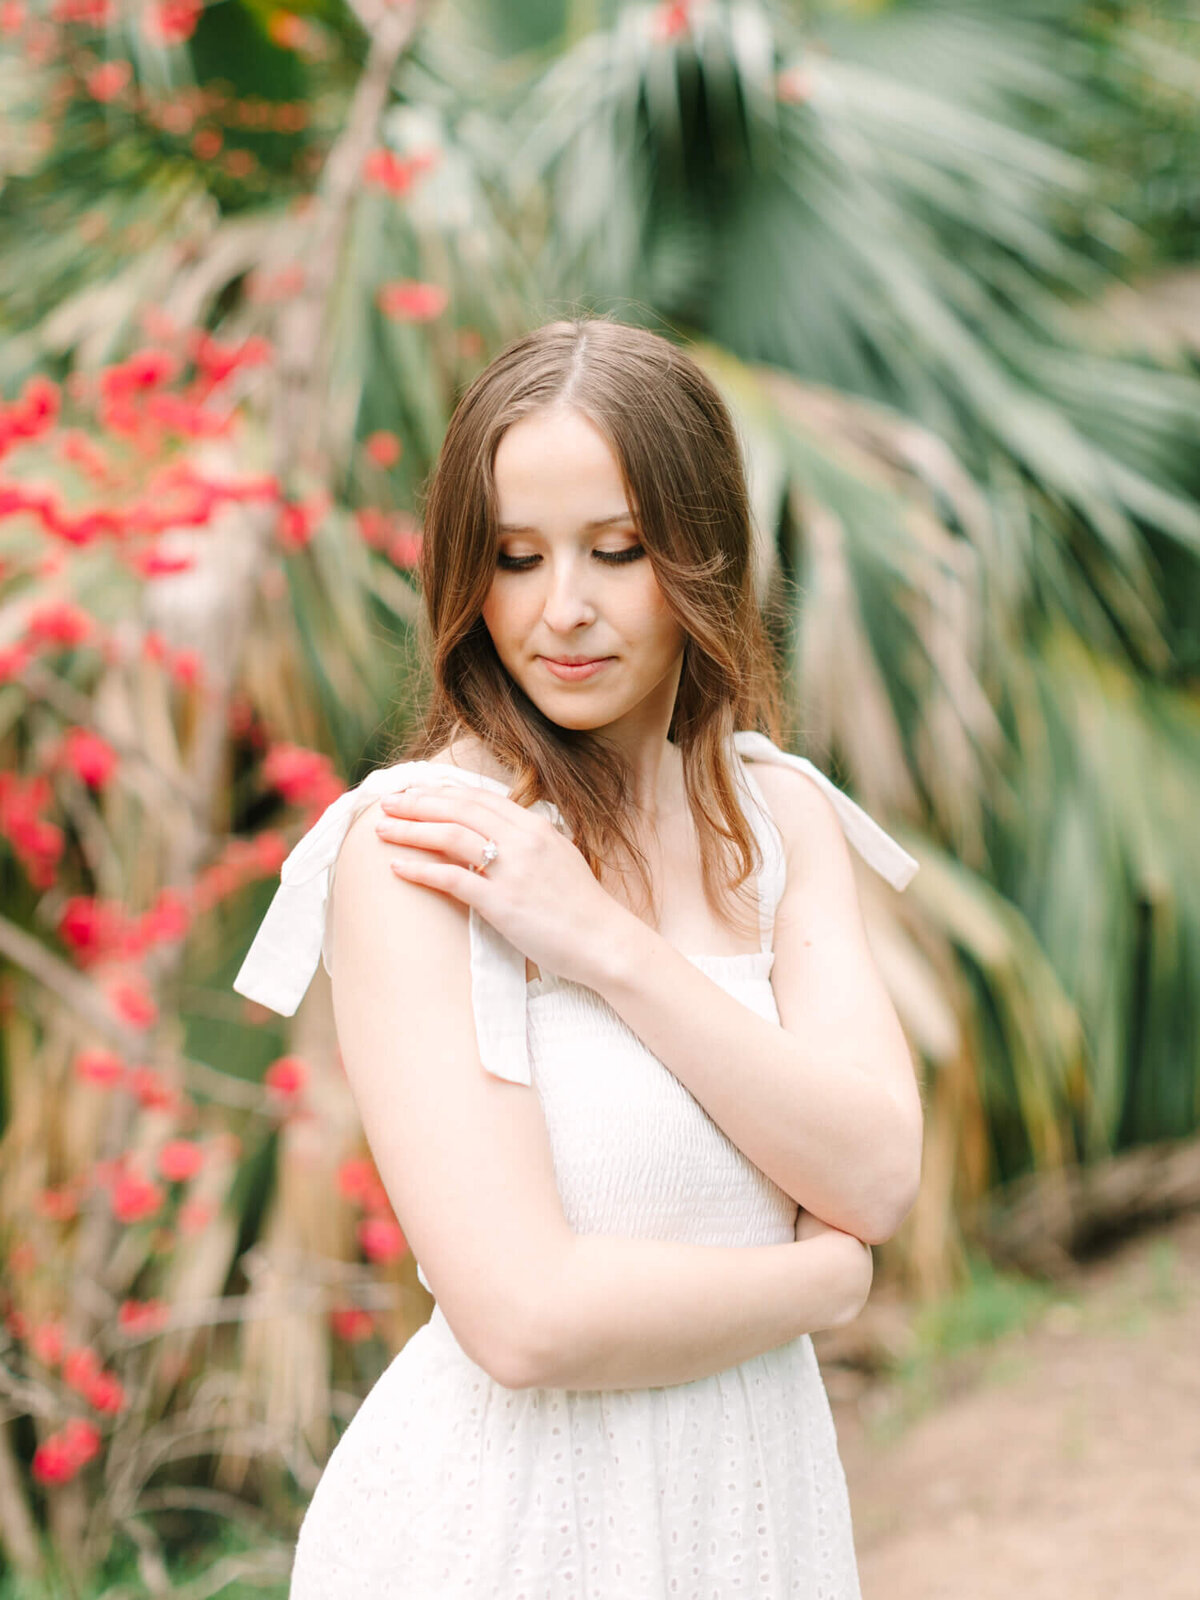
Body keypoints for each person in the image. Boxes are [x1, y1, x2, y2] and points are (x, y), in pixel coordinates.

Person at [233, 316, 923, 1598]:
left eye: (617, 551)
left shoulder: (781, 821)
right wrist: (820, 1282)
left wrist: (605, 944)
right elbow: (526, 1318)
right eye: (513, 557)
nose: (562, 611)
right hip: (503, 1534)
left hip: (754, 1514)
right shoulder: (420, 849)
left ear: (700, 553)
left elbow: (876, 1171)